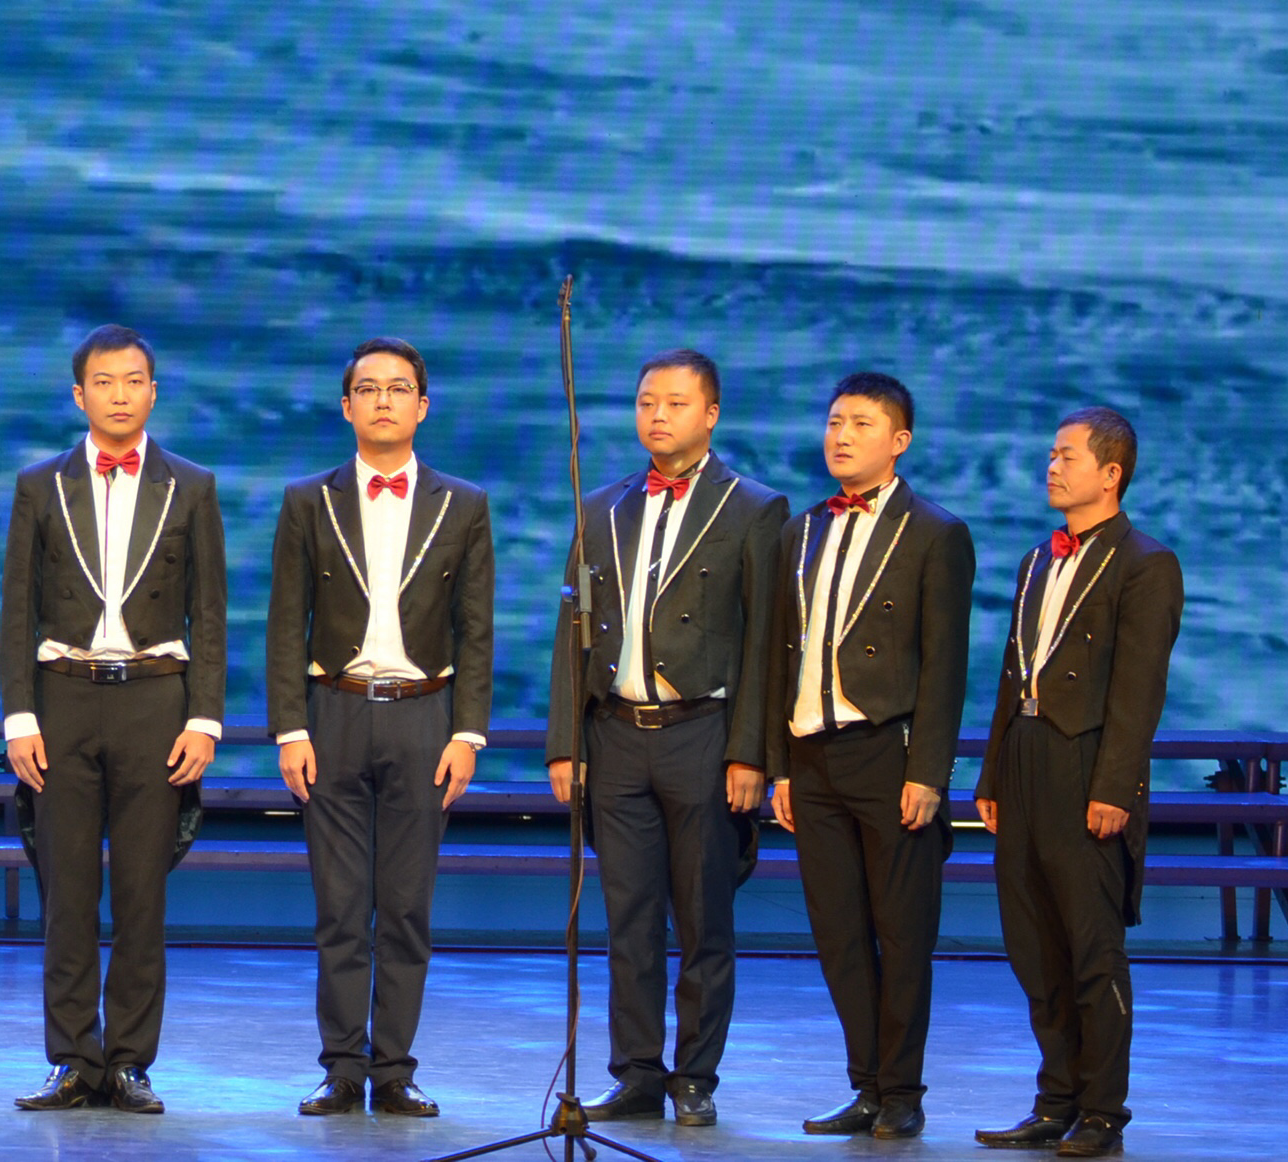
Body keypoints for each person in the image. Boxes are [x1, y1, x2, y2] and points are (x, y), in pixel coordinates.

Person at [543, 348, 789, 1127]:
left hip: (704, 735)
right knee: (630, 919)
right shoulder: (602, 506)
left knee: (704, 918)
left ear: (710, 414)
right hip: (616, 735)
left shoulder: (754, 509)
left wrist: (751, 752)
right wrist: (565, 741)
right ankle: (638, 1073)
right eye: (648, 401)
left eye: (676, 403)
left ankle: (696, 1076)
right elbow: (572, 630)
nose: (658, 415)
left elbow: (765, 641)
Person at [265, 335, 495, 1119]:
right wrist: (290, 729)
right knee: (339, 907)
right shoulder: (309, 500)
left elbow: (476, 629)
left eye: (399, 388)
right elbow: (285, 623)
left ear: (422, 407)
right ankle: (342, 1067)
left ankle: (394, 1068)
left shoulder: (463, 504)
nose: (384, 400)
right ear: (347, 407)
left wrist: (467, 734)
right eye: (369, 388)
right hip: (333, 711)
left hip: (425, 715)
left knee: (404, 907)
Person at [0, 324, 228, 1116]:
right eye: (104, 381)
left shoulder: (191, 485)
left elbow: (210, 613)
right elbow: (17, 610)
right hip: (61, 698)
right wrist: (19, 716)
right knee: (66, 891)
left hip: (155, 700)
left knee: (140, 895)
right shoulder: (39, 485)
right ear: (79, 394)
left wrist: (205, 719)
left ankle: (129, 1061)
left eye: (133, 381)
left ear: (153, 392)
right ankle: (72, 1059)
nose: (120, 395)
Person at [766, 371, 975, 1142]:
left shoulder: (934, 533)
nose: (841, 435)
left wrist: (929, 772)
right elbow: (777, 655)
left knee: (902, 933)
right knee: (839, 933)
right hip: (812, 757)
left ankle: (903, 1091)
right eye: (833, 421)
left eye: (860, 422)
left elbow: (945, 665)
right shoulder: (801, 531)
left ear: (899, 440)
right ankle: (865, 1084)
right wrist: (779, 764)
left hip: (889, 755)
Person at [970, 408, 1183, 1160]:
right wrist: (993, 772)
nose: (1052, 467)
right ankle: (1055, 1098)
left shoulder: (1145, 563)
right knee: (1033, 943)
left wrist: (1113, 788)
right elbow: (1011, 673)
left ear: (1111, 473)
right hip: (1025, 755)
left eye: (1067, 456)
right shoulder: (1038, 559)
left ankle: (1102, 1109)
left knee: (1091, 947)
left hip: (1085, 762)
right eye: (1052, 454)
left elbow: (1138, 690)